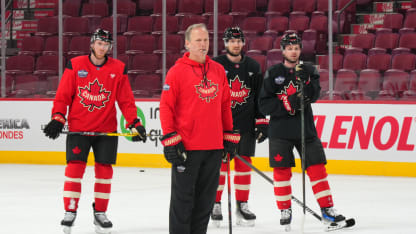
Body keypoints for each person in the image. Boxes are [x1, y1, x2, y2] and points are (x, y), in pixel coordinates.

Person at [43, 28, 147, 234]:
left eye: (106, 44)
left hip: (105, 131)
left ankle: (100, 212)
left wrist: (134, 123)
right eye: (99, 43)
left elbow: (126, 100)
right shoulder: (75, 65)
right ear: (92, 44)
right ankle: (70, 210)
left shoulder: (118, 68)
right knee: (74, 170)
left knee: (104, 172)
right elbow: (63, 96)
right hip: (79, 129)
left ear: (109, 47)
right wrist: (58, 117)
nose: (102, 47)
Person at [258, 33, 347, 231]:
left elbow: (315, 95)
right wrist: (288, 104)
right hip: (280, 131)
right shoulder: (273, 73)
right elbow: (264, 104)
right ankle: (285, 209)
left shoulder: (308, 70)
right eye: (289, 48)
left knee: (317, 169)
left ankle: (327, 209)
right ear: (283, 50)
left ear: (300, 50)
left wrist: (306, 83)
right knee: (281, 171)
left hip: (305, 129)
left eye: (296, 48)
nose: (293, 51)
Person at [159, 23, 240, 234]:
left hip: (213, 147)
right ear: (187, 44)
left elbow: (224, 104)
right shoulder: (176, 72)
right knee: (183, 202)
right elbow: (166, 107)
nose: (203, 45)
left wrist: (229, 134)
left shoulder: (218, 70)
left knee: (205, 202)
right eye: (198, 40)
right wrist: (170, 138)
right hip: (187, 148)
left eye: (205, 40)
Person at [210, 27, 268, 227]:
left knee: (243, 166)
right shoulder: (215, 64)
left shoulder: (253, 66)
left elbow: (259, 96)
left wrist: (261, 121)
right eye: (231, 41)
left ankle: (242, 204)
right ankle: (215, 203)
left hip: (245, 125)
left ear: (243, 43)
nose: (235, 44)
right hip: (222, 127)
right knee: (221, 166)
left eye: (238, 41)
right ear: (225, 43)